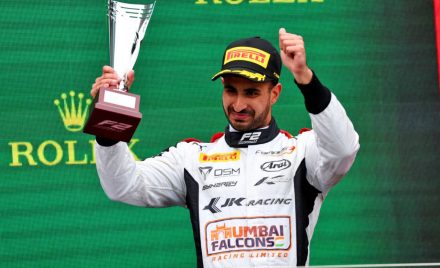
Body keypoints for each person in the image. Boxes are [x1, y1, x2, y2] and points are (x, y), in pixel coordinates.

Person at [90, 28, 360, 267]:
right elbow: (123, 186)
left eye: (251, 93)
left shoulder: (302, 153)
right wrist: (110, 114)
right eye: (231, 90)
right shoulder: (193, 159)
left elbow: (344, 149)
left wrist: (305, 78)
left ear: (274, 93)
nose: (239, 105)